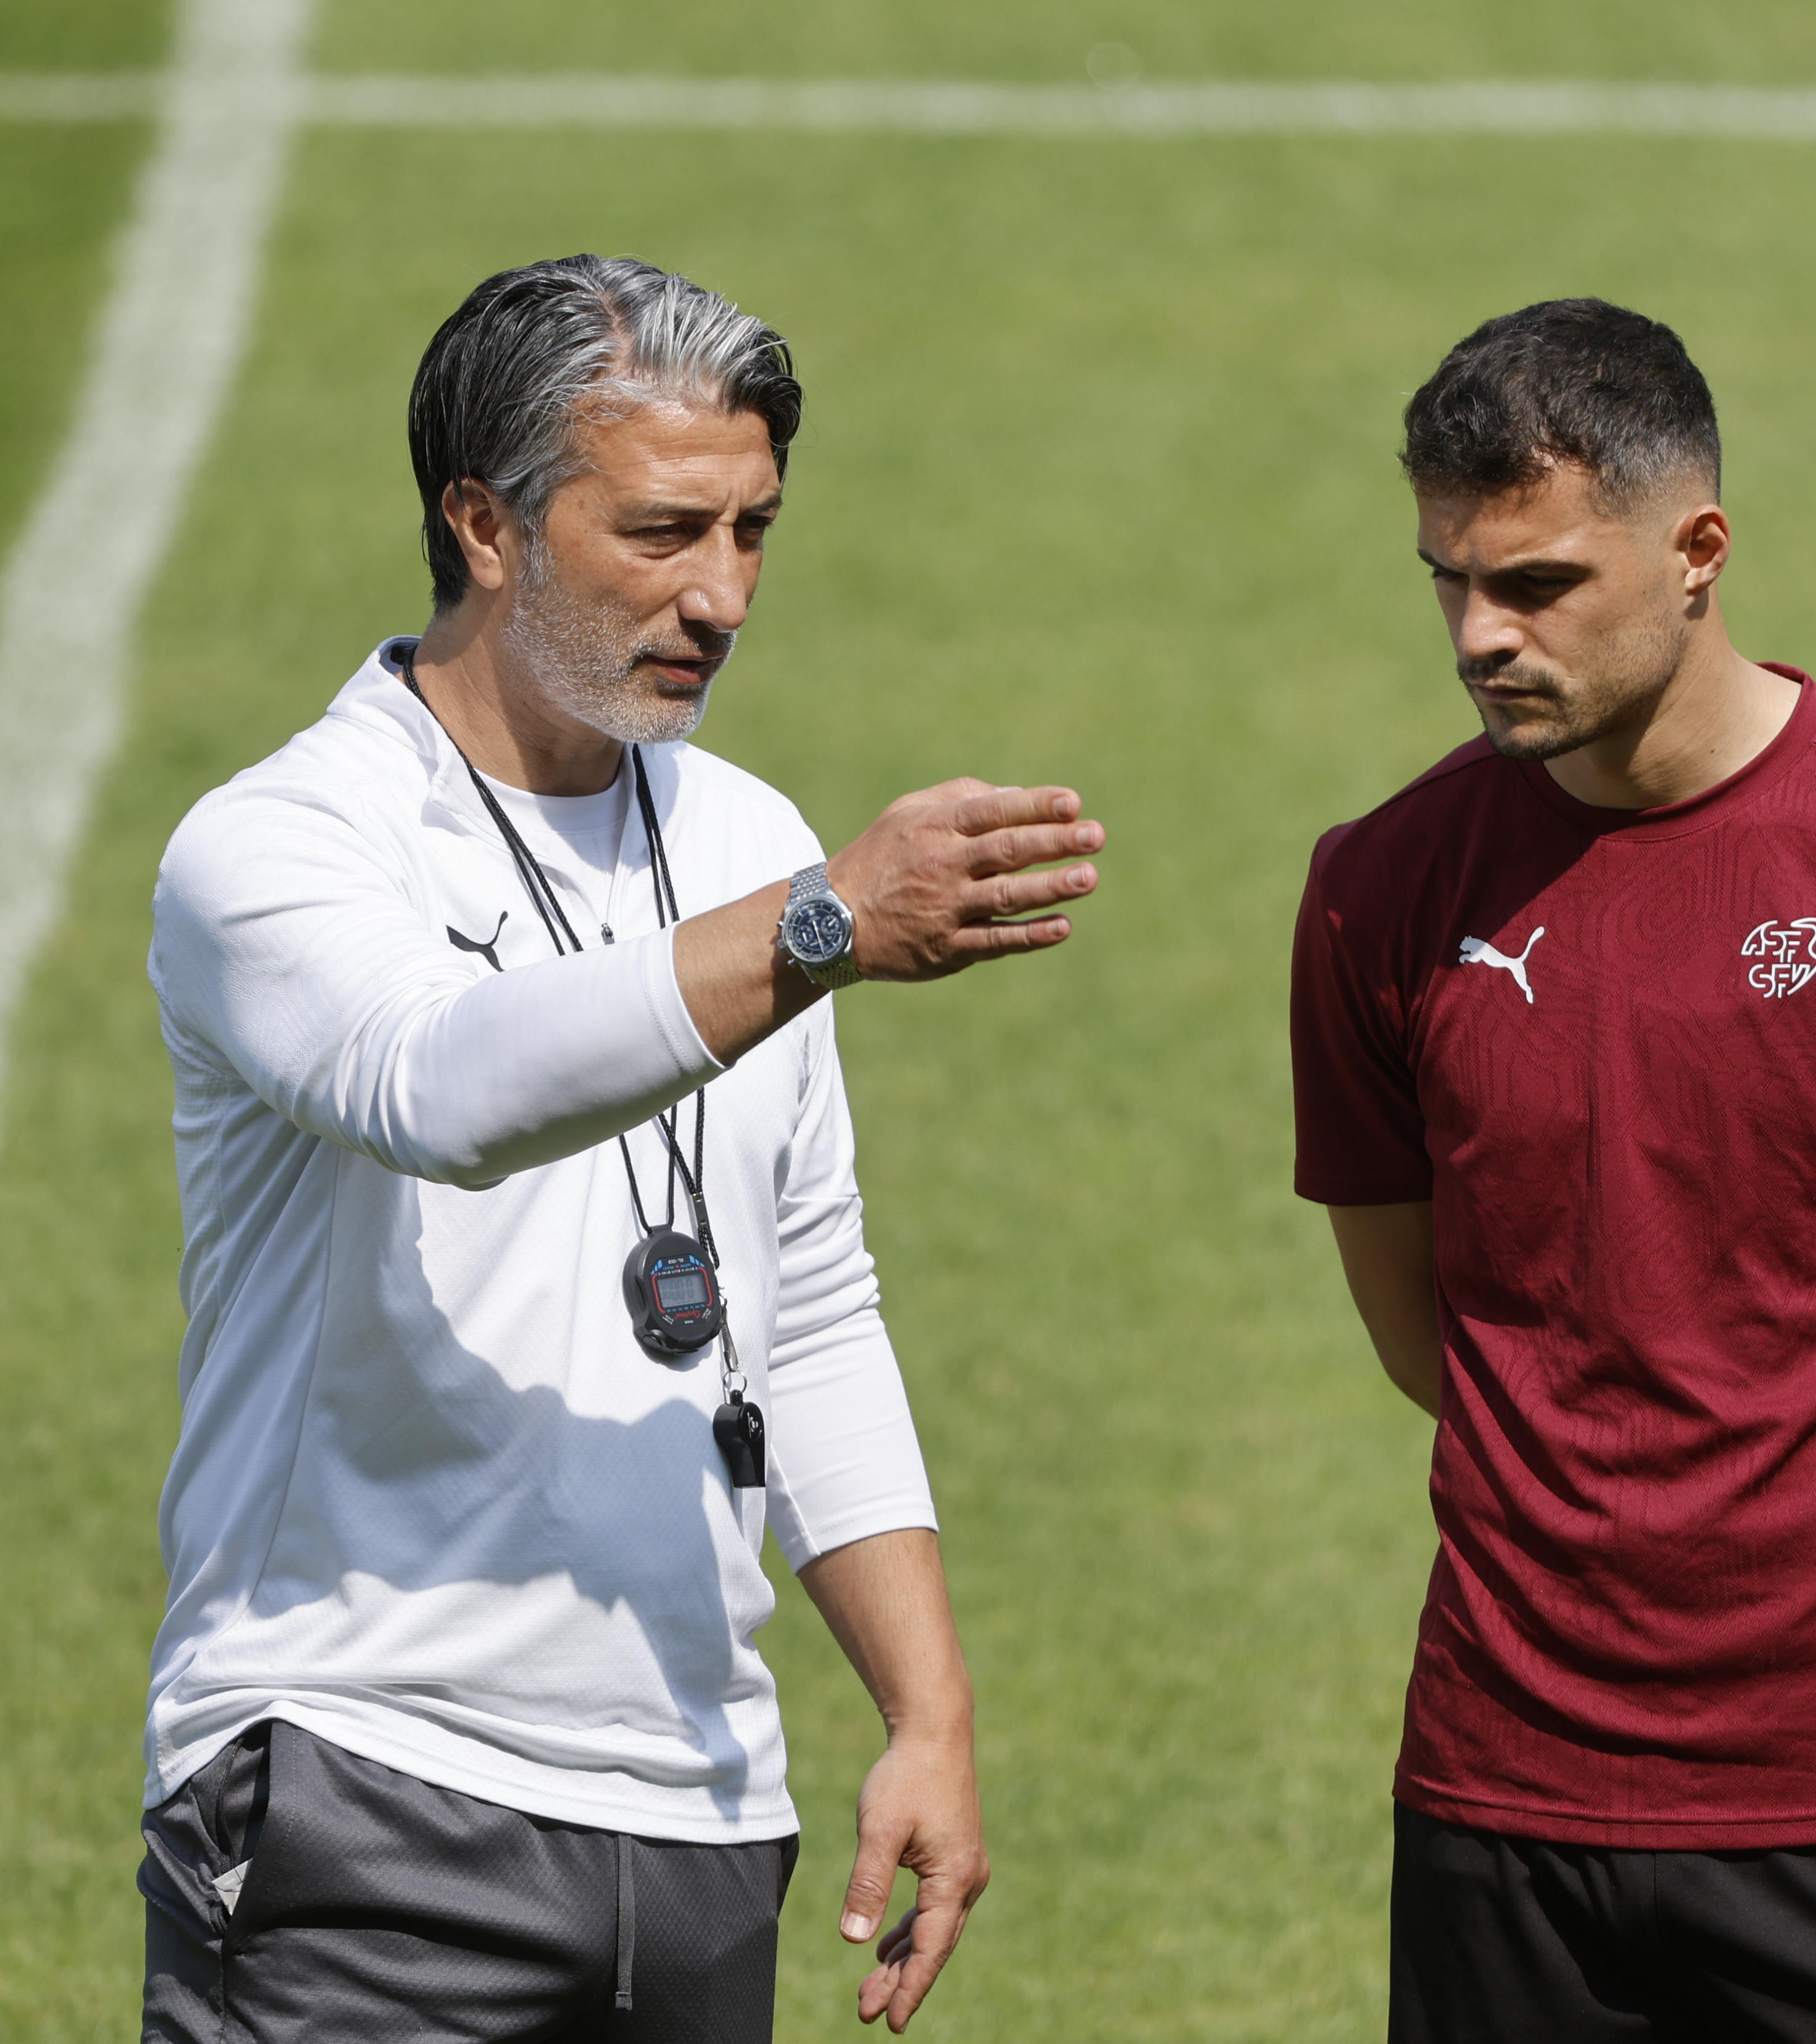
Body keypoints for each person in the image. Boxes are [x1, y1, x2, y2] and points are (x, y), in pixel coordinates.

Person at [139, 256, 1102, 2042]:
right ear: (485, 524)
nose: (722, 595)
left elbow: (799, 1307)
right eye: (663, 532)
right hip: (365, 1781)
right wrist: (816, 931)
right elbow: (444, 1089)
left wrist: (929, 1710)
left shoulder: (745, 835)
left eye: (754, 532)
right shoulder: (280, 846)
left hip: (699, 1812)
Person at [1291, 299, 1816, 2043]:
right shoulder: (1377, 891)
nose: (1478, 633)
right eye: (1448, 578)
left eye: (1536, 584)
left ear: (1697, 552)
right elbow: (1425, 1334)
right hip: (1503, 1801)